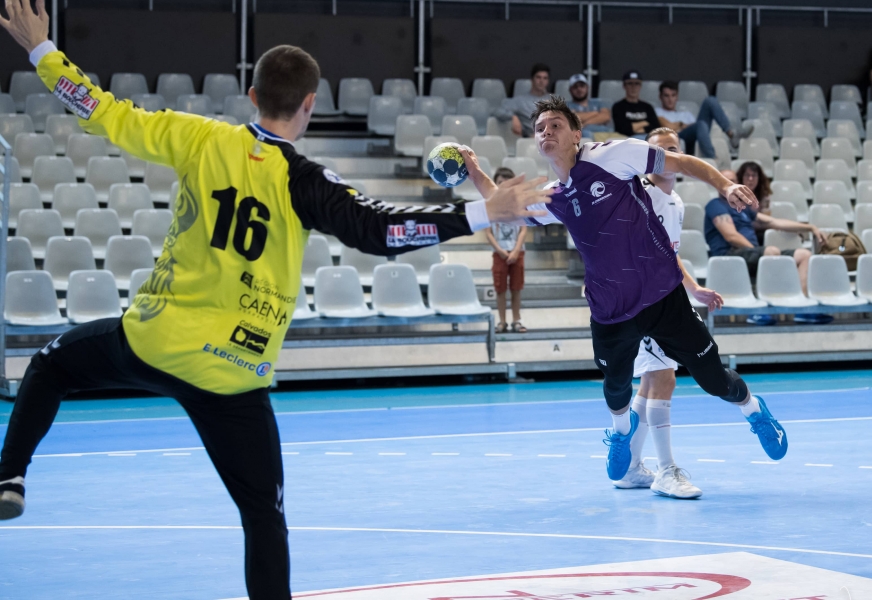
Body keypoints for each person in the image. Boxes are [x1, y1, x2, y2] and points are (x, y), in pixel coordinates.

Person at [0, 4, 551, 599]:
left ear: (251, 93)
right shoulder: (306, 179)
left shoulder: (198, 136)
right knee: (264, 517)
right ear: (310, 104)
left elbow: (100, 110)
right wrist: (478, 212)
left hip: (156, 342)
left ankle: (10, 475)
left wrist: (40, 49)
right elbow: (380, 230)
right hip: (237, 368)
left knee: (52, 364)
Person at [458, 97, 789, 486]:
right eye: (540, 128)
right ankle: (620, 435)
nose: (546, 132)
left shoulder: (613, 155)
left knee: (714, 380)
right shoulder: (555, 195)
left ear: (577, 133)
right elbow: (506, 207)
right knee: (616, 386)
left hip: (662, 294)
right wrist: (474, 169)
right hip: (611, 307)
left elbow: (680, 163)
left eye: (555, 125)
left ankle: (753, 410)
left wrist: (725, 183)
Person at [613, 127, 724, 499]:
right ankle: (665, 471)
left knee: (650, 383)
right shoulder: (638, 196)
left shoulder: (675, 201)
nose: (666, 155)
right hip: (640, 302)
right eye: (658, 150)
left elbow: (668, 253)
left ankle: (629, 469)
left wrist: (693, 288)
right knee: (664, 380)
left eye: (672, 149)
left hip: (665, 297)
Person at [704, 168, 830, 326]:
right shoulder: (715, 205)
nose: (730, 185)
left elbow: (773, 222)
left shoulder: (742, 208)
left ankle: (801, 308)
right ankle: (759, 311)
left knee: (804, 254)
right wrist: (757, 251)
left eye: (734, 181)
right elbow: (731, 236)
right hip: (728, 257)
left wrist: (810, 227)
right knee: (771, 252)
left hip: (751, 254)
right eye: (725, 181)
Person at [655, 81, 752, 159]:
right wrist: (682, 125)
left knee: (710, 101)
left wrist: (680, 126)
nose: (670, 99)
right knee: (700, 124)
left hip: (692, 141)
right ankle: (712, 159)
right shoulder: (656, 111)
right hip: (675, 141)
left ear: (677, 97)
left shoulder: (685, 114)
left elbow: (697, 130)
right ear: (660, 97)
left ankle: (731, 133)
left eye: (673, 95)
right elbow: (667, 127)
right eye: (666, 96)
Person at [485, 167, 528, 333]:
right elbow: (488, 233)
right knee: (500, 289)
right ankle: (502, 321)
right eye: (500, 182)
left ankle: (517, 320)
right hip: (499, 253)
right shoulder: (490, 204)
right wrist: (500, 250)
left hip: (518, 252)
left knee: (516, 288)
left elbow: (524, 229)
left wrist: (516, 250)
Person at [496, 63, 551, 138]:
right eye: (538, 77)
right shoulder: (520, 101)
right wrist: (513, 116)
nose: (541, 81)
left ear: (548, 81)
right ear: (532, 80)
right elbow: (498, 111)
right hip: (531, 141)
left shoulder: (553, 100)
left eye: (545, 78)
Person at [611, 70, 658, 138]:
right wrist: (644, 123)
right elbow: (622, 129)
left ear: (640, 86)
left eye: (637, 83)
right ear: (624, 86)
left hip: (646, 140)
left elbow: (655, 128)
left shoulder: (648, 107)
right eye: (630, 83)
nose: (633, 87)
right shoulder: (618, 106)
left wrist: (633, 127)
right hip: (625, 140)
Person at [565, 73, 613, 139]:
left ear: (587, 87)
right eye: (575, 87)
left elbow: (605, 117)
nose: (579, 89)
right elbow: (571, 120)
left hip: (604, 135)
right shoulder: (566, 105)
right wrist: (595, 113)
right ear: (570, 90)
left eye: (582, 86)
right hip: (583, 138)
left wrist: (585, 123)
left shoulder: (599, 102)